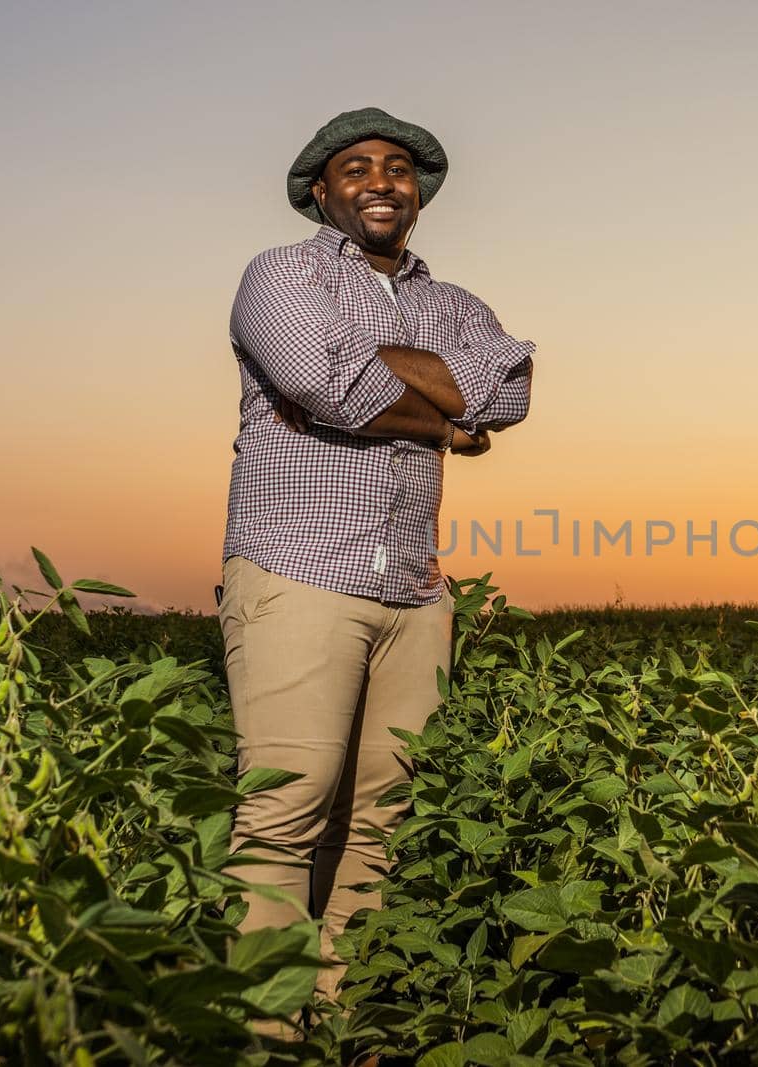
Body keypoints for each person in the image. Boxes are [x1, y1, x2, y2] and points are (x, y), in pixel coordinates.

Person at [216, 106, 535, 1011]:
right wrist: (447, 421)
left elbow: (505, 392)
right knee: (286, 806)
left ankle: (338, 1011)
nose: (380, 182)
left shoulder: (457, 303)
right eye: (355, 168)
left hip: (413, 587)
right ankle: (262, 1027)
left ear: (419, 194)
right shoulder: (281, 273)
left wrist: (376, 368)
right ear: (322, 192)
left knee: (378, 816)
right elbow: (322, 385)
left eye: (397, 168)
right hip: (298, 567)